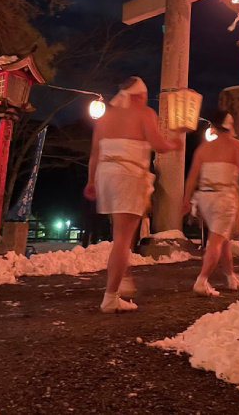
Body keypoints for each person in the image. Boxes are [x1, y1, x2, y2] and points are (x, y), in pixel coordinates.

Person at [84, 76, 183, 313]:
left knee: (120, 235)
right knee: (123, 240)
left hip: (106, 174)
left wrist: (91, 181)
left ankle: (121, 277)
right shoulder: (145, 112)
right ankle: (111, 296)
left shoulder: (105, 116)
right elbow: (158, 145)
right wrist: (176, 143)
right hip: (128, 174)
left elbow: (94, 153)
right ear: (139, 95)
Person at [182, 110, 239, 297]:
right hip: (223, 197)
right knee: (217, 240)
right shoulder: (236, 145)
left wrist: (186, 199)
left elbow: (192, 177)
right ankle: (202, 280)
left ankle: (230, 277)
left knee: (223, 239)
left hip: (204, 198)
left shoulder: (203, 148)